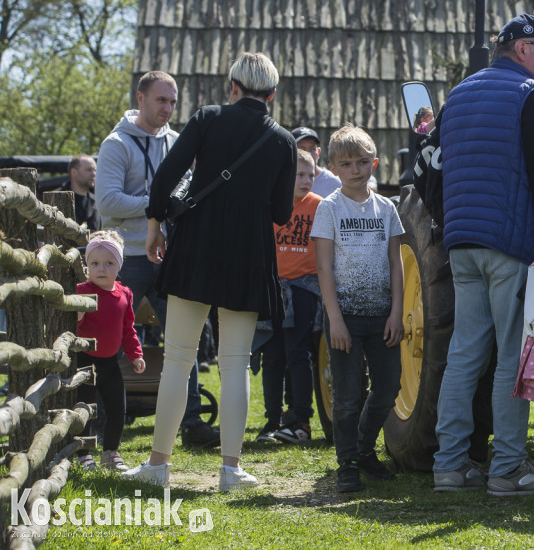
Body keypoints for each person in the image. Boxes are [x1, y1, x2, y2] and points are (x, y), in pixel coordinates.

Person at [123, 52, 297, 492]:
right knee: (235, 364)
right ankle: (231, 470)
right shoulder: (283, 141)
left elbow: (164, 179)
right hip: (249, 257)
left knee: (178, 361)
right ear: (272, 94)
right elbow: (280, 213)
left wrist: (153, 227)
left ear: (233, 85)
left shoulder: (207, 118)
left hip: (196, 249)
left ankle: (158, 464)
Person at [432, 13, 534, 497]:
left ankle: (450, 465)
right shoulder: (529, 96)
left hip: (462, 244)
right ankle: (508, 467)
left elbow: (436, 168)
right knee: (512, 358)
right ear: (524, 49)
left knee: (464, 355)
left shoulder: (459, 94)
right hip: (509, 247)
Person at [95, 71, 218, 448]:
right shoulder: (116, 144)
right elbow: (107, 202)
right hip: (126, 257)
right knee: (108, 341)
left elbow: (188, 192)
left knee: (183, 339)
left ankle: (193, 423)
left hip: (168, 255)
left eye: (172, 102)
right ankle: (103, 422)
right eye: (160, 100)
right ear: (141, 98)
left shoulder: (176, 142)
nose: (167, 108)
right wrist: (155, 206)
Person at [311, 125, 404, 493]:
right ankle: (347, 463)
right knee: (348, 397)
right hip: (344, 317)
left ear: (375, 163)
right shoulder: (328, 209)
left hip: (383, 316)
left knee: (388, 388)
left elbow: (396, 263)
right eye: (346, 163)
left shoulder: (387, 208)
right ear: (333, 167)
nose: (355, 169)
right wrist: (334, 319)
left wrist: (397, 312)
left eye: (362, 162)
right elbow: (323, 268)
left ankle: (365, 450)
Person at [258, 149, 323, 445]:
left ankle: (301, 420)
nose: (306, 180)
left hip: (304, 287)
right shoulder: (270, 205)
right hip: (273, 287)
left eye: (311, 175)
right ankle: (272, 421)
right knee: (271, 356)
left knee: (298, 353)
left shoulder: (320, 207)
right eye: (299, 174)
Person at [76, 231, 145, 472]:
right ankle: (83, 453)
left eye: (109, 263)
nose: (101, 269)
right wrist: (77, 315)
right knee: (84, 409)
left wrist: (135, 354)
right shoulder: (81, 291)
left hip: (110, 363)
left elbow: (128, 329)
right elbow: (72, 326)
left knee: (117, 409)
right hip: (84, 362)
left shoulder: (124, 294)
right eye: (94, 263)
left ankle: (110, 453)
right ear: (87, 265)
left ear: (119, 265)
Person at [291, 127, 343, 197]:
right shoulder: (281, 181)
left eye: (312, 149)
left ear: (318, 152)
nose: (308, 153)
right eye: (302, 149)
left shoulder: (336, 183)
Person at [62, 154, 100, 231]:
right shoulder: (57, 199)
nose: (94, 174)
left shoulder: (97, 201)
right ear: (74, 172)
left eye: (95, 170)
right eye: (89, 170)